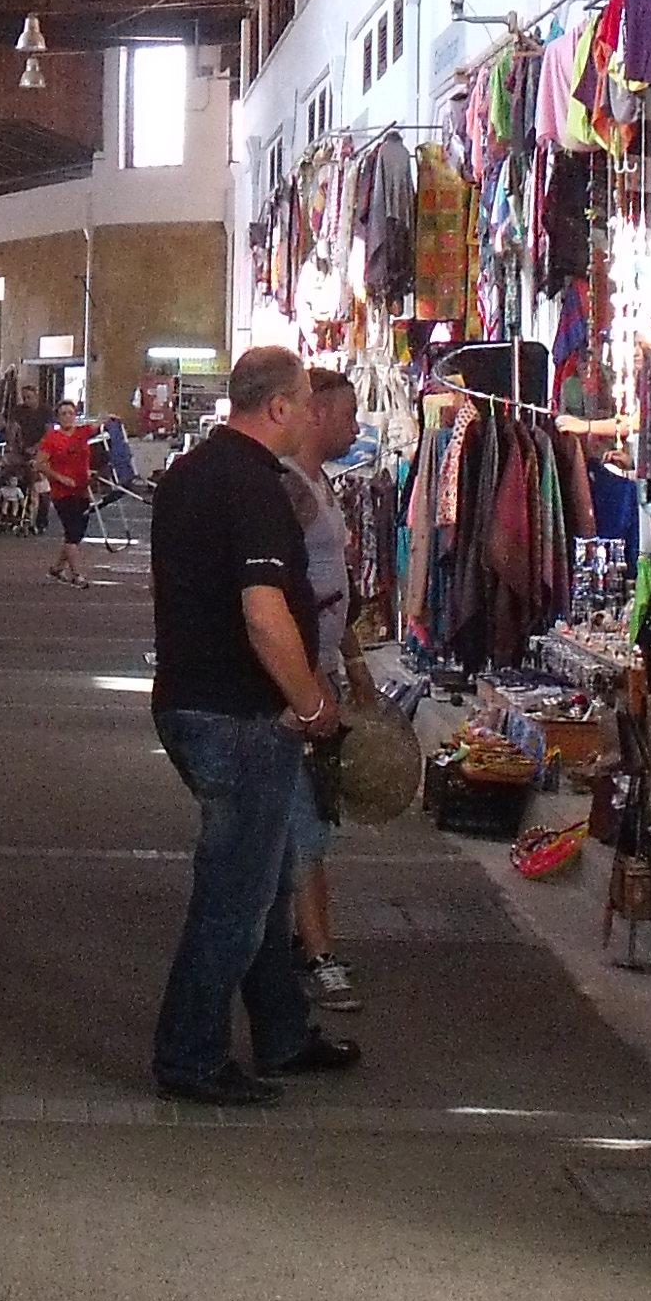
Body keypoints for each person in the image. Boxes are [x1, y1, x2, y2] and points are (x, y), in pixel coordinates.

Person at [144, 345, 359, 1106]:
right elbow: (265, 617)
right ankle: (190, 1054)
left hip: (194, 699)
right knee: (235, 900)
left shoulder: (191, 474)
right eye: (304, 401)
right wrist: (310, 703)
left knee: (262, 890)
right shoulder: (253, 487)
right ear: (276, 408)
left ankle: (282, 1031)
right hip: (237, 715)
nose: (311, 415)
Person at [283, 368, 363, 1014]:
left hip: (322, 669)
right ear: (315, 415)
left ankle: (297, 941)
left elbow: (336, 589)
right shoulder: (292, 492)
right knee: (302, 819)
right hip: (295, 677)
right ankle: (317, 953)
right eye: (348, 414)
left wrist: (353, 664)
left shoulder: (323, 488)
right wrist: (303, 685)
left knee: (309, 817)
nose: (356, 427)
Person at [37, 399, 102, 586]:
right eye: (63, 413)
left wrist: (109, 418)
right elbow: (40, 464)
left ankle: (57, 568)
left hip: (82, 490)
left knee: (76, 534)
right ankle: (76, 574)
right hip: (62, 493)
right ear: (58, 417)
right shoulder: (51, 438)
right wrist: (59, 477)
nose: (67, 417)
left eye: (70, 413)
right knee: (72, 532)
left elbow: (99, 425)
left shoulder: (82, 433)